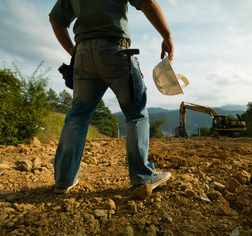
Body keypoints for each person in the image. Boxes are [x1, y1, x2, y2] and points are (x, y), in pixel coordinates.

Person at [49, 0, 174, 194]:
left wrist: (73, 49)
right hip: (116, 49)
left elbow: (56, 19)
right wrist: (166, 35)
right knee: (136, 113)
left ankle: (63, 180)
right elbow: (147, 1)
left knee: (78, 117)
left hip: (82, 54)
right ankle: (142, 176)